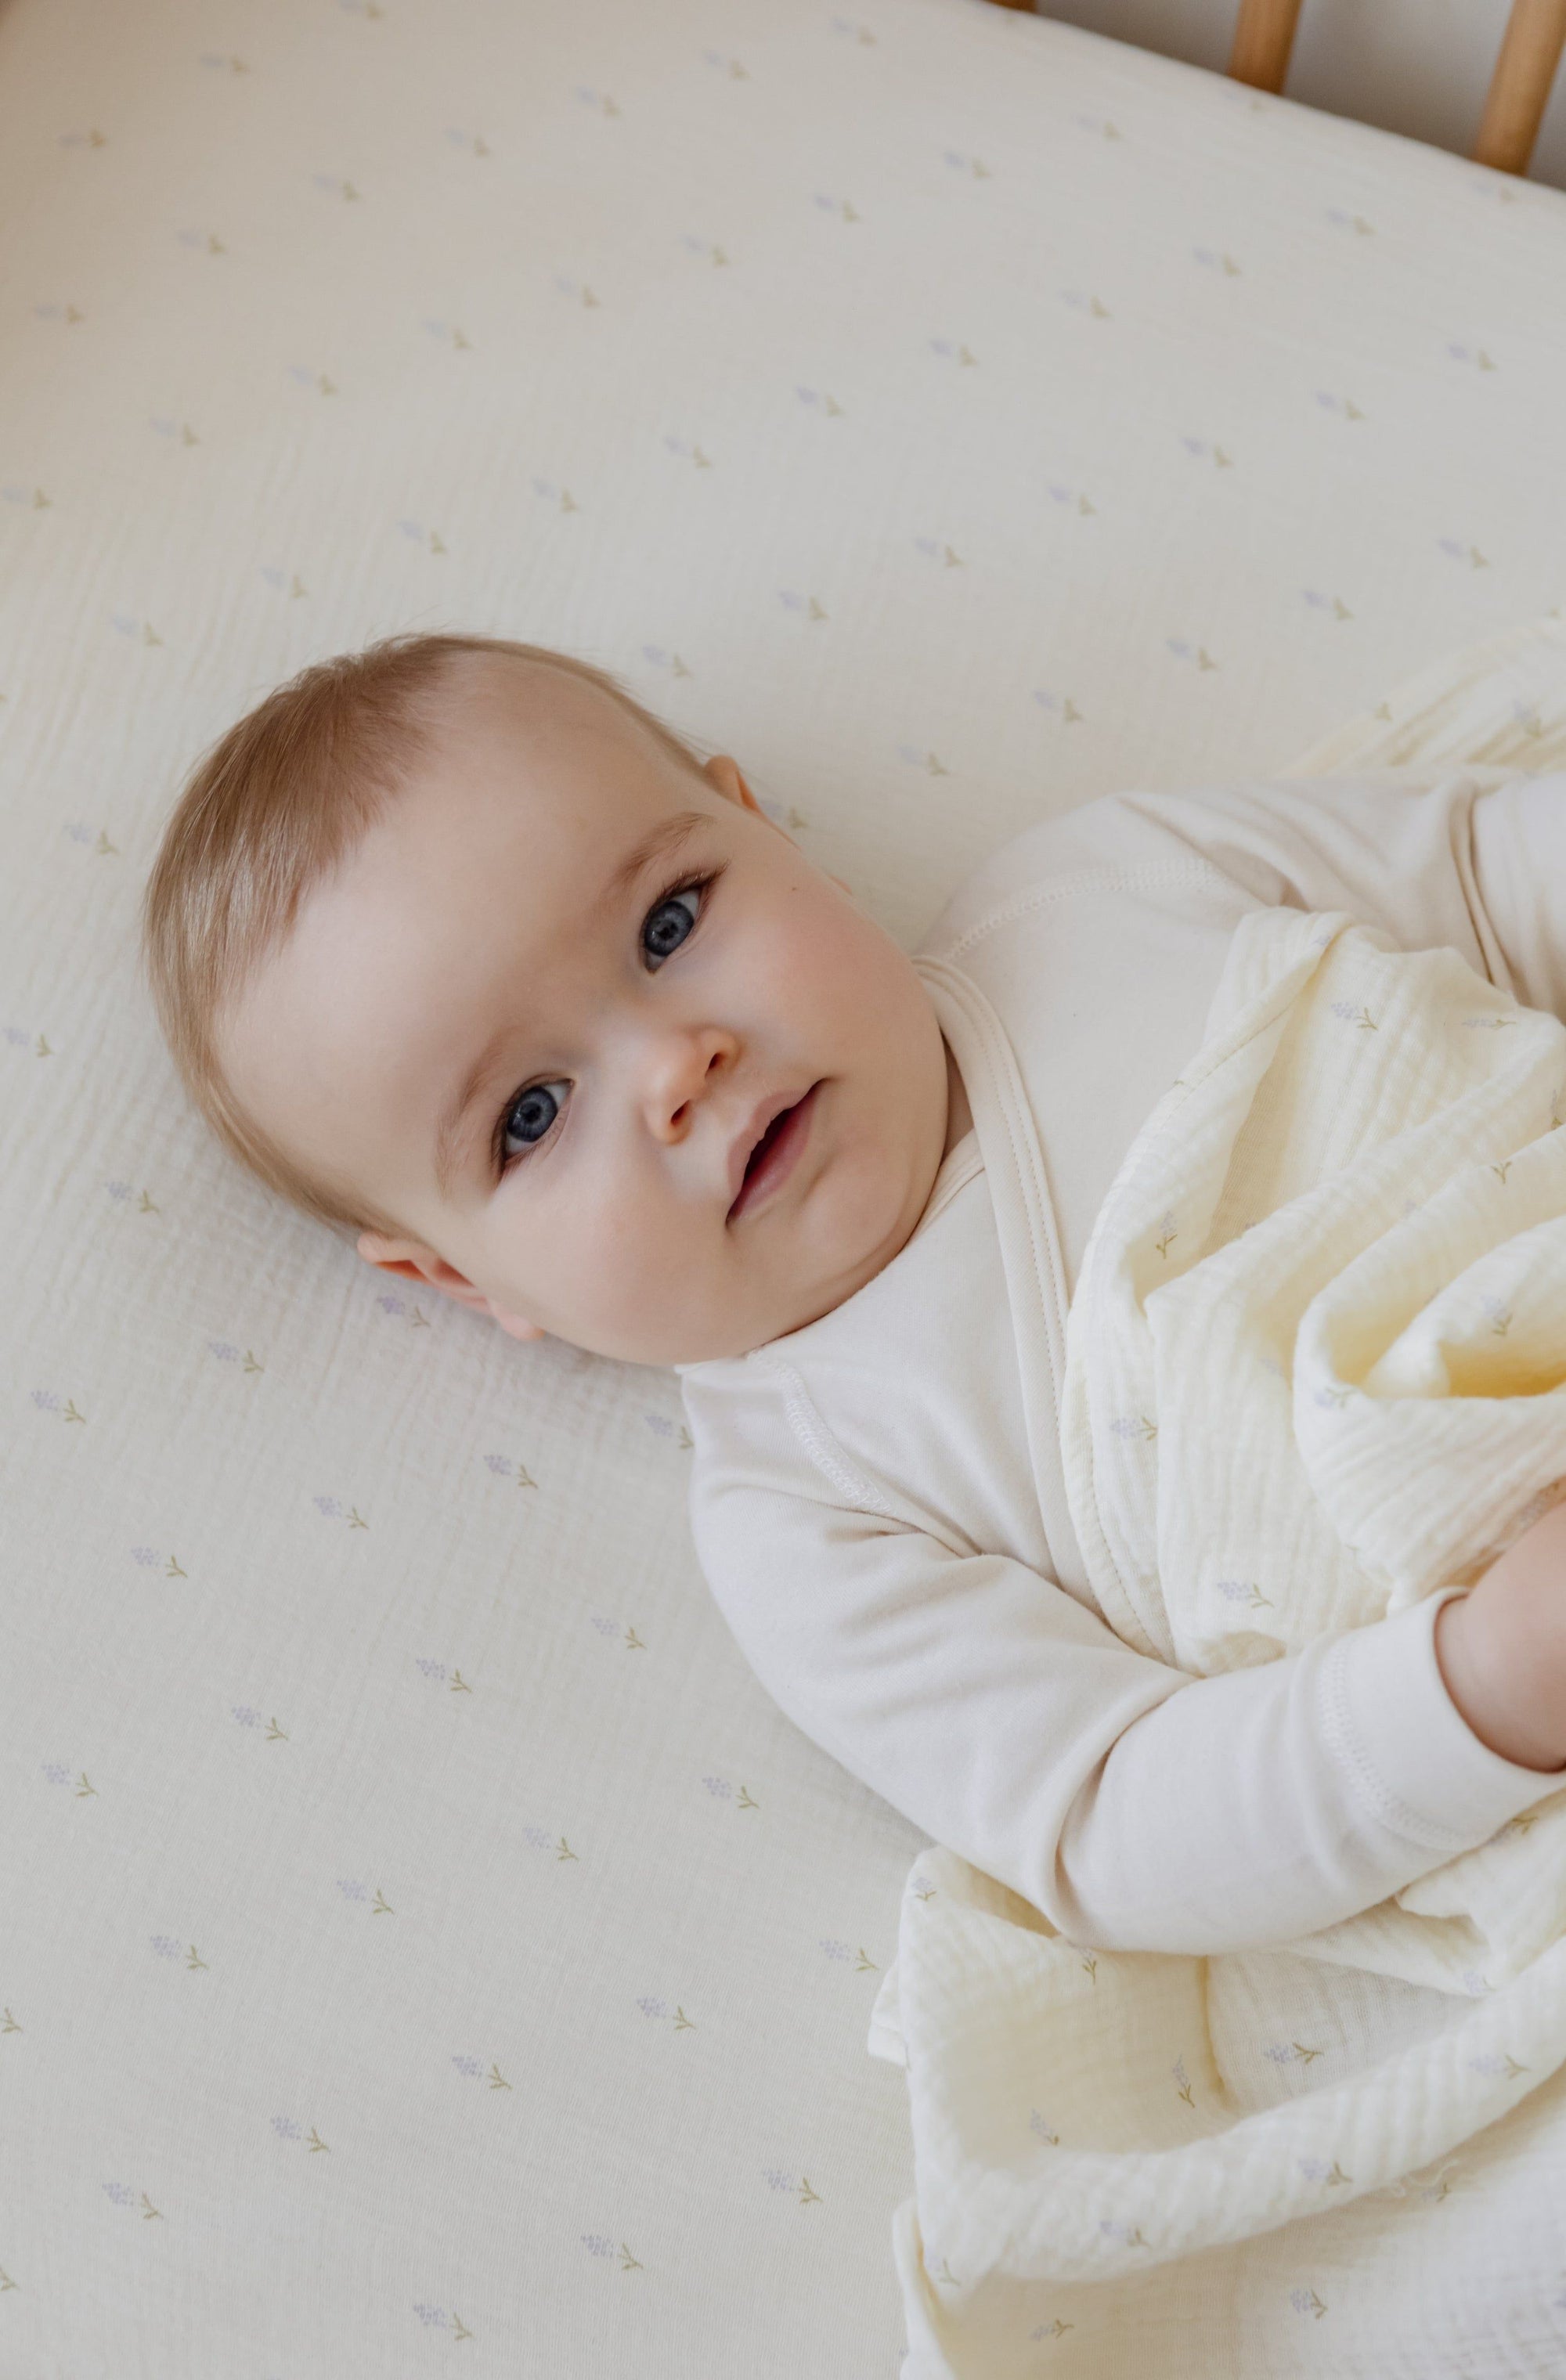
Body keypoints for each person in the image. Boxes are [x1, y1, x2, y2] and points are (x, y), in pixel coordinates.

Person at [142, 627, 1566, 1959]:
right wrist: (1488, 1683)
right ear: (459, 1281)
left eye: (668, 922)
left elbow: (1494, 876)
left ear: (763, 826)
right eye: (529, 1114)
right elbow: (1111, 1816)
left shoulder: (1100, 889)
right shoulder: (810, 1512)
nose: (673, 1065)